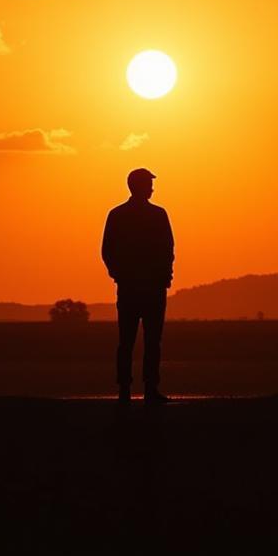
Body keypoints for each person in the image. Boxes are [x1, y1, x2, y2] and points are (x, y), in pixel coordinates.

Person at [101, 167, 175, 403]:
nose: (152, 188)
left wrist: (119, 274)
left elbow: (107, 251)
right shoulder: (156, 215)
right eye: (148, 183)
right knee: (146, 340)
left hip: (135, 287)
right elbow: (167, 249)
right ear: (138, 186)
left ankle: (128, 390)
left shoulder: (118, 215)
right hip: (147, 287)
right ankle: (145, 389)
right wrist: (164, 276)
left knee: (129, 341)